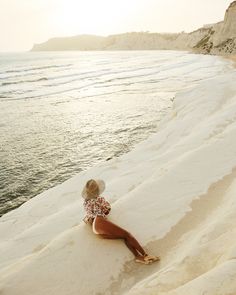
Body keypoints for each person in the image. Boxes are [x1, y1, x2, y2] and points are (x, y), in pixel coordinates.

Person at [82, 178, 160, 265]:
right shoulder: (99, 199)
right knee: (127, 235)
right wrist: (104, 209)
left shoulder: (86, 202)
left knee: (124, 237)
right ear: (98, 190)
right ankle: (145, 255)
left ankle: (138, 257)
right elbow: (108, 209)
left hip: (95, 228)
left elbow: (89, 217)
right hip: (100, 222)